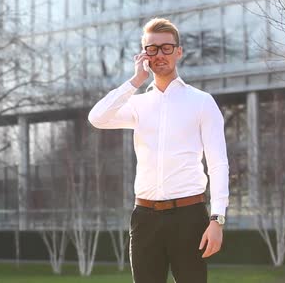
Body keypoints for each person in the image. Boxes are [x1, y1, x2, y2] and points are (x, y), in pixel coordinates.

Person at [88, 18, 229, 283]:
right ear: (143, 54)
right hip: (144, 219)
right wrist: (135, 81)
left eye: (166, 48)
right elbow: (97, 118)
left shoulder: (201, 102)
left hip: (189, 217)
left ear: (178, 51)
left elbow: (218, 163)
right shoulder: (138, 105)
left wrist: (217, 219)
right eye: (152, 49)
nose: (159, 55)